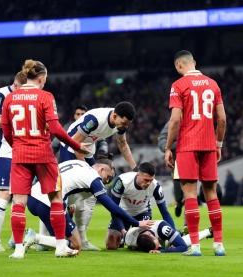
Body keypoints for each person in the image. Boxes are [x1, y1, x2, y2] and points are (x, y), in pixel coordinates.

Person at [1, 59, 91, 259]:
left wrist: (18, 145)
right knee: (56, 199)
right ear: (41, 78)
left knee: (18, 203)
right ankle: (60, 246)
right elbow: (57, 129)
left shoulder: (10, 98)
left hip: (20, 155)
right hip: (43, 154)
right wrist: (77, 145)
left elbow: (7, 132)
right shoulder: (46, 96)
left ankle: (18, 250)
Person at [164, 50, 226, 256]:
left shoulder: (178, 85)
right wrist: (218, 144)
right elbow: (222, 119)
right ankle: (218, 245)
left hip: (187, 145)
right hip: (209, 145)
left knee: (190, 194)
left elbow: (174, 120)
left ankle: (196, 247)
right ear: (194, 63)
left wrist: (167, 148)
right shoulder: (213, 84)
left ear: (178, 65)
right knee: (211, 194)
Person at [23, 158, 154, 252]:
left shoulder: (79, 163)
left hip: (33, 197)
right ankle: (35, 237)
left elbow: (64, 180)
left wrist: (67, 205)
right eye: (107, 177)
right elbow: (111, 206)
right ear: (101, 170)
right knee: (75, 245)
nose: (107, 181)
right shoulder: (93, 178)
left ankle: (42, 243)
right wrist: (136, 223)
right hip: (49, 203)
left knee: (60, 238)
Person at [58, 102, 137, 251]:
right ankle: (56, 235)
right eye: (124, 123)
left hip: (87, 149)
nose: (125, 127)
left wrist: (135, 168)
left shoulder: (119, 124)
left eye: (128, 124)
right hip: (71, 147)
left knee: (93, 193)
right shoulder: (95, 119)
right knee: (64, 191)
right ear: (115, 116)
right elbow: (75, 143)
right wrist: (86, 171)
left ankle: (83, 238)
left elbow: (123, 146)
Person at [0, 71, 27, 252]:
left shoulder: (28, 96)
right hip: (4, 151)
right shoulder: (2, 94)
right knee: (4, 195)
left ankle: (14, 238)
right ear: (17, 85)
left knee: (20, 196)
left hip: (23, 152)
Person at [106, 162, 175, 250]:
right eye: (146, 180)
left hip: (142, 213)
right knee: (111, 246)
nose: (148, 183)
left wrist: (173, 236)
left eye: (151, 180)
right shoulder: (122, 181)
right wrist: (123, 231)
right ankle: (124, 240)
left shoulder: (156, 186)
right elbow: (113, 208)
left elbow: (164, 212)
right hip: (123, 213)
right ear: (138, 175)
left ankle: (156, 240)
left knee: (143, 243)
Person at [124, 220, 213, 253]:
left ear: (150, 234)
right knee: (170, 244)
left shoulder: (162, 227)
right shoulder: (129, 239)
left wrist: (162, 251)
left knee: (179, 242)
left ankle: (208, 231)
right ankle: (178, 233)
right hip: (160, 238)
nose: (159, 246)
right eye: (158, 247)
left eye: (157, 244)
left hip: (164, 235)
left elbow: (183, 247)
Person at [158, 121, 183, 217]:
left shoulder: (197, 118)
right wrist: (170, 148)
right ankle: (179, 202)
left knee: (189, 191)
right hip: (177, 160)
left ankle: (187, 223)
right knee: (178, 189)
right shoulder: (174, 121)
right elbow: (162, 139)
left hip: (192, 159)